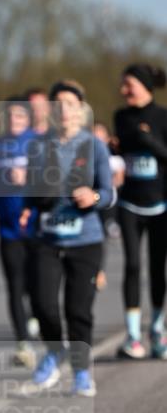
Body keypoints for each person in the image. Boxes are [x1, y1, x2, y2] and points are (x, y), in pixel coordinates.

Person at [20, 80, 114, 396]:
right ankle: (54, 351)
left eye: (71, 104)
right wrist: (27, 197)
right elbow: (31, 194)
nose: (64, 109)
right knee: (44, 304)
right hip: (47, 237)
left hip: (86, 239)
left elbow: (109, 193)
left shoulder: (94, 146)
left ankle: (82, 371)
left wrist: (94, 196)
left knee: (78, 310)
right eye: (58, 103)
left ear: (81, 110)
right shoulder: (38, 146)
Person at [113, 64, 167, 360]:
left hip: (161, 204)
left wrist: (151, 142)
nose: (124, 91)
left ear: (144, 85)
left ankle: (158, 330)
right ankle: (133, 336)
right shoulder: (121, 116)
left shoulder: (163, 117)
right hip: (130, 202)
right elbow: (122, 151)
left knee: (157, 268)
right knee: (132, 265)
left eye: (128, 85)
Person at [0, 97, 39, 368]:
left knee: (37, 284)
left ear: (28, 118)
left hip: (37, 226)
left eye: (19, 117)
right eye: (10, 117)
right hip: (8, 227)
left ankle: (37, 317)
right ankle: (23, 343)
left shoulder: (41, 143)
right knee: (15, 285)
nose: (14, 122)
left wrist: (28, 178)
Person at [92, 121, 125, 291]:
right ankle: (96, 270)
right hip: (91, 202)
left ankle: (99, 271)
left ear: (107, 138)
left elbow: (119, 179)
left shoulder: (115, 159)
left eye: (100, 135)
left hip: (109, 202)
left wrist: (106, 183)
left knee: (103, 235)